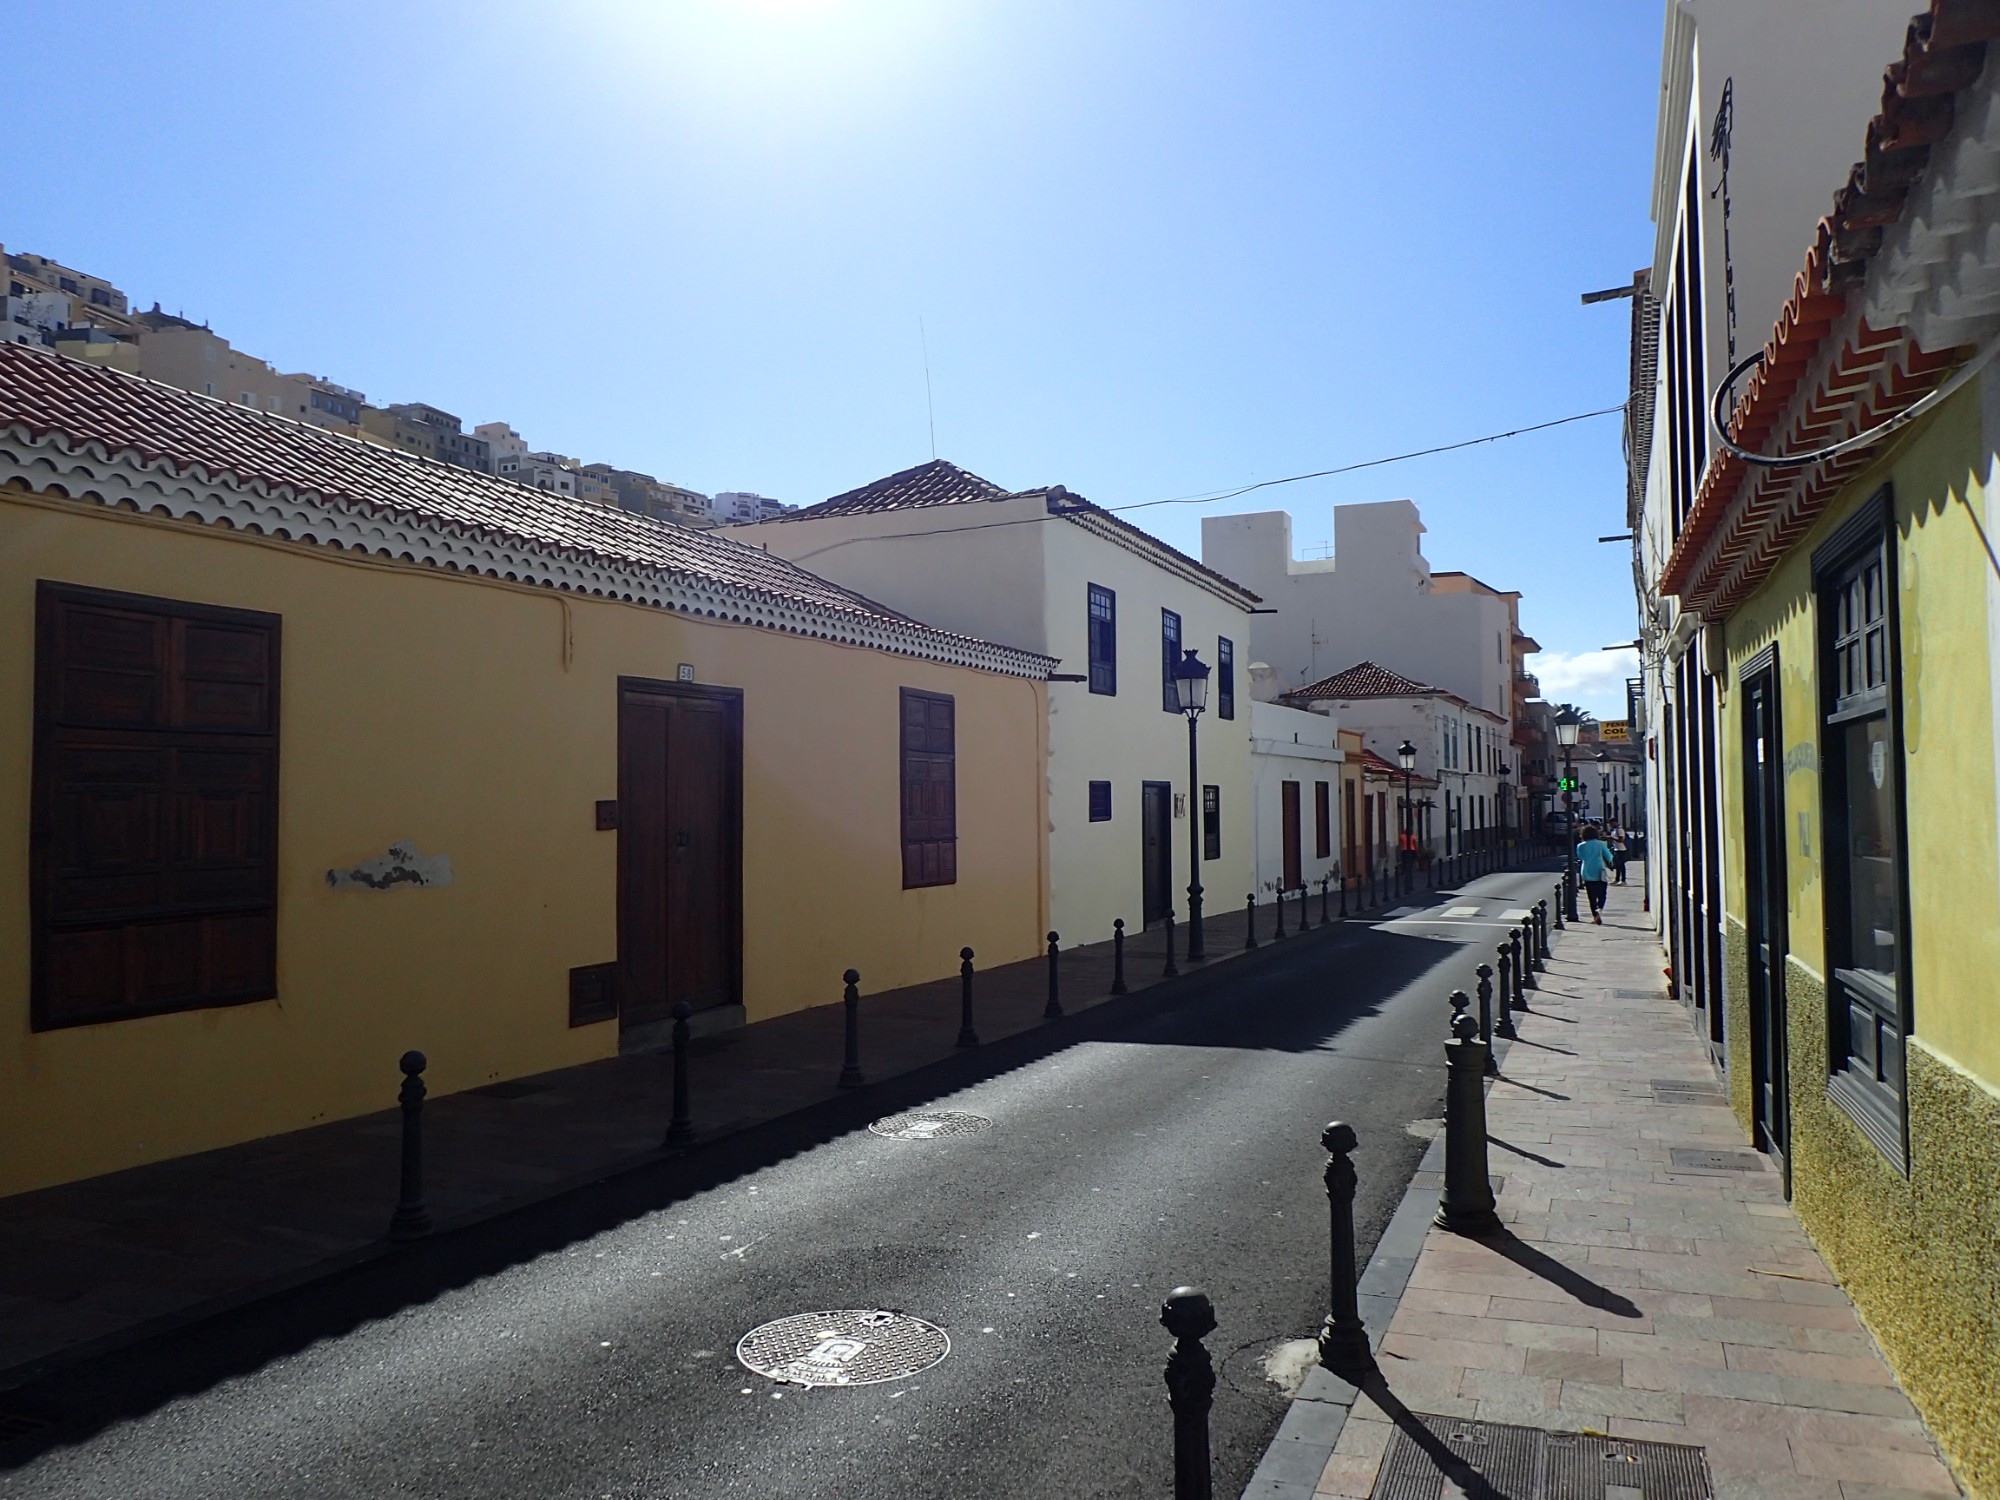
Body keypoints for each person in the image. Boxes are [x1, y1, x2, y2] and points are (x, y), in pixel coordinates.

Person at [1576, 823, 1614, 923]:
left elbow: (1580, 857)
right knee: (1602, 894)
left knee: (1591, 896)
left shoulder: (1580, 846)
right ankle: (1599, 910)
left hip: (1587, 872)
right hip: (1600, 871)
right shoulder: (1600, 844)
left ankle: (1594, 915)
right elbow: (1609, 857)